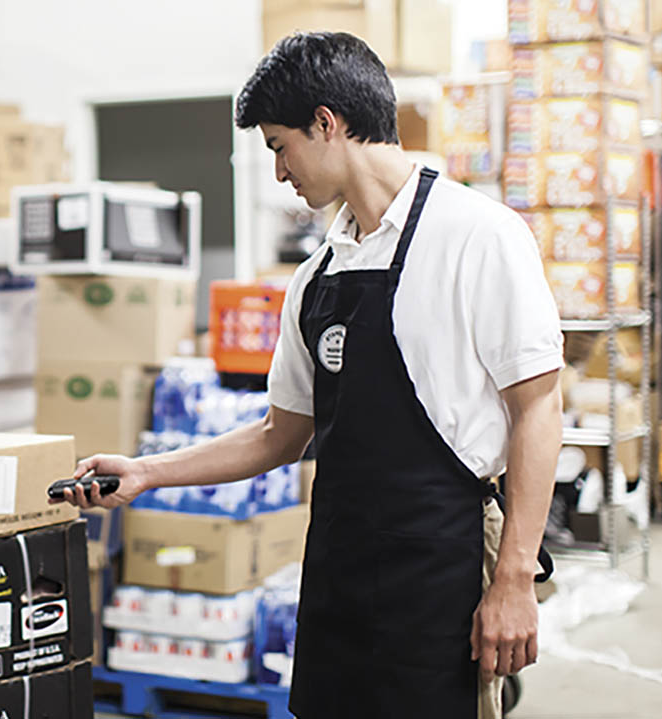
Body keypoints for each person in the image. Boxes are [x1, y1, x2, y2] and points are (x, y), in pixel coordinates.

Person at [51, 31, 562, 719]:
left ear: (327, 123)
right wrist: (148, 471)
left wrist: (514, 578)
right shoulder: (317, 277)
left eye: (278, 146)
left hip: (443, 565)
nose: (280, 172)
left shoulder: (479, 236)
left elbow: (538, 407)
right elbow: (278, 434)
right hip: (338, 572)